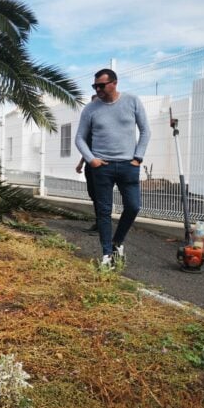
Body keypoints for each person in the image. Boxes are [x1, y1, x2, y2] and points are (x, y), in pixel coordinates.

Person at [75, 69, 151, 270]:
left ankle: (118, 242)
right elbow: (79, 138)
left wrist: (138, 157)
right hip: (103, 167)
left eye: (101, 85)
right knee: (104, 211)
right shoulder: (91, 109)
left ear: (114, 83)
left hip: (129, 166)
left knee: (134, 206)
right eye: (95, 86)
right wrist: (91, 160)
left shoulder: (132, 101)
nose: (98, 89)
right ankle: (107, 254)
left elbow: (145, 130)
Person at [76, 95, 99, 232]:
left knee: (100, 195)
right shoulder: (89, 123)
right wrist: (81, 163)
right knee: (93, 194)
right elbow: (86, 146)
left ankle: (102, 225)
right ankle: (99, 222)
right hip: (90, 164)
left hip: (103, 165)